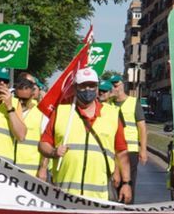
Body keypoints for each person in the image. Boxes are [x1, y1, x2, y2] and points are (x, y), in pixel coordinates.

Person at [39, 67, 131, 201]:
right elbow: (43, 144)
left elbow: (122, 152)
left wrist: (126, 183)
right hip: (64, 195)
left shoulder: (112, 114)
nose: (88, 89)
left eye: (92, 85)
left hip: (99, 197)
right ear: (75, 88)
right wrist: (53, 152)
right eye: (83, 86)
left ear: (97, 87)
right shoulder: (61, 112)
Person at [12, 72, 48, 178]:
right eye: (19, 99)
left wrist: (43, 168)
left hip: (30, 173)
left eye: (25, 99)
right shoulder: (8, 108)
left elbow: (47, 142)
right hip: (6, 170)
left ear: (32, 95)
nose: (21, 102)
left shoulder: (41, 112)